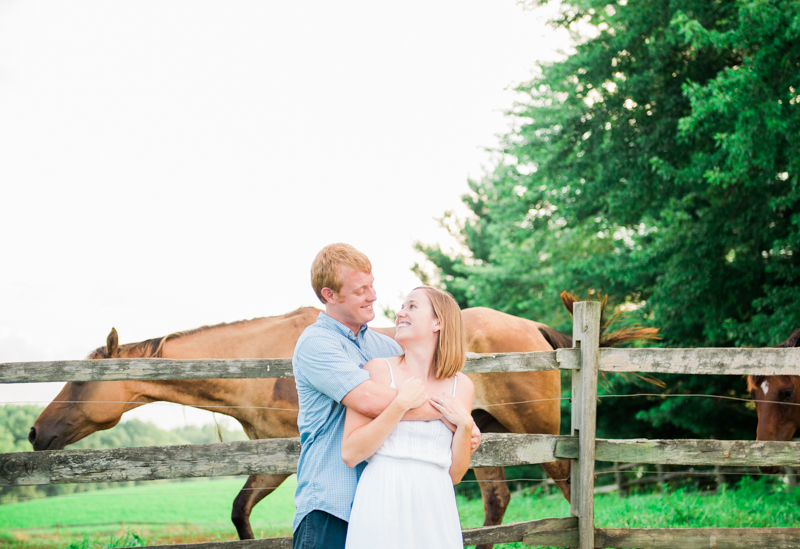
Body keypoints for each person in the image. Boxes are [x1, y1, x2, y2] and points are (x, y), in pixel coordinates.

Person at [291, 244, 480, 549]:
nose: (373, 295)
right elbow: (368, 399)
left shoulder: (386, 347)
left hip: (382, 502)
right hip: (330, 502)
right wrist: (454, 415)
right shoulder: (317, 344)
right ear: (330, 295)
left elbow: (422, 385)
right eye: (360, 289)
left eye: (372, 285)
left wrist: (463, 425)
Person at [341, 286, 475, 549]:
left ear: (438, 322)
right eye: (403, 307)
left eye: (412, 306)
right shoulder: (378, 370)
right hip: (382, 497)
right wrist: (400, 404)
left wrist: (465, 425)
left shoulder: (463, 386)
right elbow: (351, 453)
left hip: (436, 502)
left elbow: (456, 474)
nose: (400, 312)